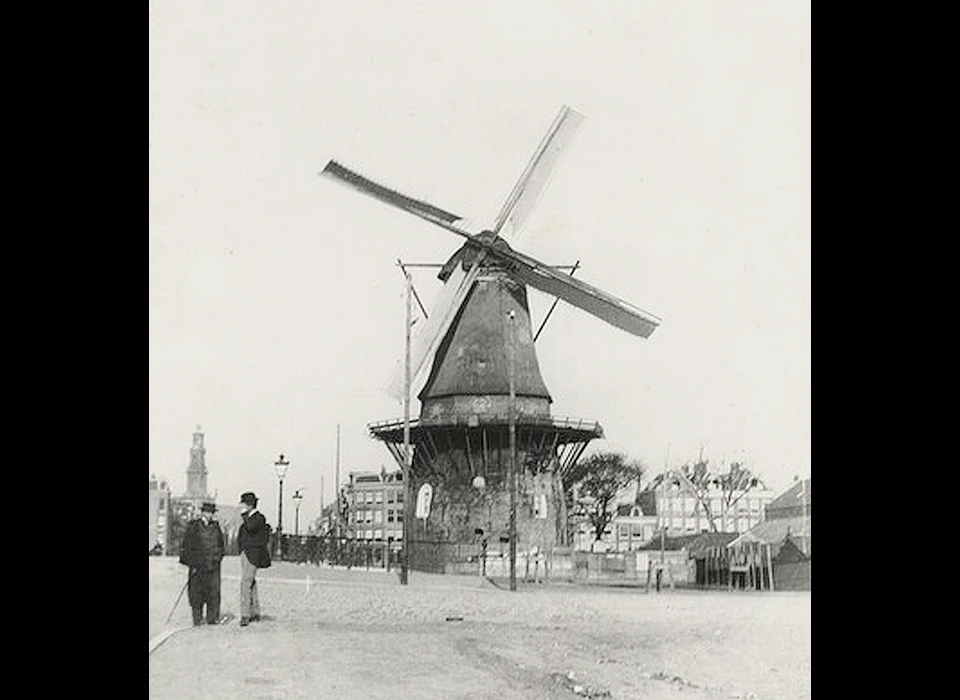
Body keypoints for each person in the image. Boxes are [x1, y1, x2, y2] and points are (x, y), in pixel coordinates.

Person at [178, 501, 225, 626]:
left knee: (213, 593)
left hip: (213, 566)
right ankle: (197, 619)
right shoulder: (193, 526)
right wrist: (191, 563)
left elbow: (221, 545)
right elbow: (187, 546)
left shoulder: (216, 526)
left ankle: (212, 618)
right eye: (208, 512)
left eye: (212, 513)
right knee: (197, 593)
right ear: (202, 512)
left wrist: (217, 558)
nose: (210, 515)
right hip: (198, 567)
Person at [237, 491, 271, 627]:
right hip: (246, 553)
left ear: (249, 505)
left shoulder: (258, 517)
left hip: (253, 554)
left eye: (243, 504)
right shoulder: (249, 518)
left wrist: (245, 515)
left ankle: (245, 614)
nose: (241, 507)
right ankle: (255, 611)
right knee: (251, 582)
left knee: (245, 582)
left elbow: (250, 528)